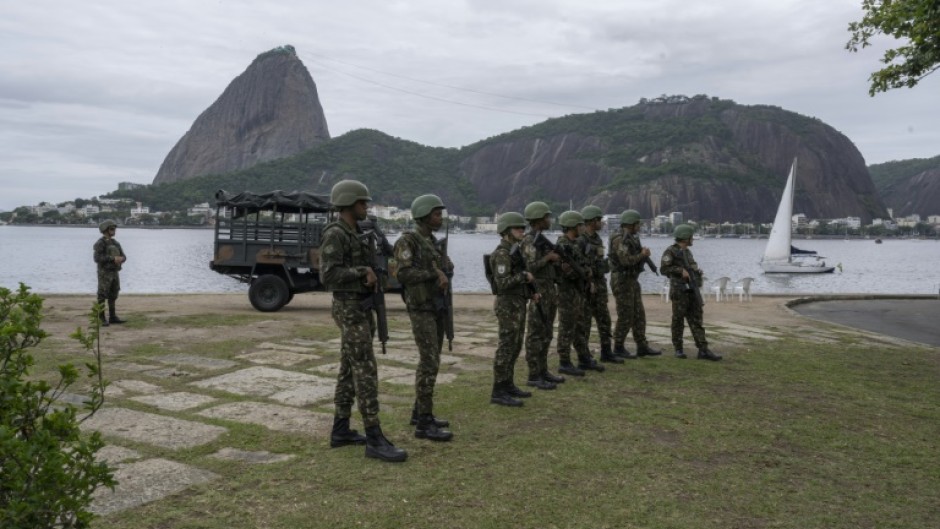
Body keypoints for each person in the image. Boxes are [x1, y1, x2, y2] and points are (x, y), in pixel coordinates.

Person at [320, 179, 407, 462]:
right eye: (362, 202)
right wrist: (362, 272)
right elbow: (328, 275)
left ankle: (341, 429)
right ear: (347, 204)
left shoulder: (357, 232)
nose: (366, 207)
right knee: (365, 369)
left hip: (361, 306)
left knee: (349, 367)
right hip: (349, 308)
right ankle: (374, 438)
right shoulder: (336, 234)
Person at [393, 194, 454, 442]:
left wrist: (446, 267)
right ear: (424, 215)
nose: (440, 218)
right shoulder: (408, 241)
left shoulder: (432, 242)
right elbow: (403, 273)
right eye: (436, 214)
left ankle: (419, 413)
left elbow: (444, 268)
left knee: (434, 360)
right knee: (428, 362)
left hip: (436, 306)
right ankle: (424, 424)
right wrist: (434, 272)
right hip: (421, 308)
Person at [488, 212, 538, 407]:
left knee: (516, 345)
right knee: (506, 346)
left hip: (517, 303)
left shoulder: (514, 252)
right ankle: (498, 390)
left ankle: (508, 384)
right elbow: (502, 284)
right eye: (518, 228)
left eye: (523, 228)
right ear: (507, 230)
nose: (522, 231)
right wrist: (524, 276)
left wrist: (530, 292)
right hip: (507, 305)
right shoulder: (502, 254)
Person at [520, 201, 566, 390]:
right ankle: (533, 374)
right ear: (538, 219)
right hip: (538, 291)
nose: (549, 220)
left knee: (547, 333)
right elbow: (529, 267)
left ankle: (543, 370)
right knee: (535, 334)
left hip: (549, 290)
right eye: (546, 217)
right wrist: (548, 258)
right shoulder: (529, 241)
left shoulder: (542, 240)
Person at [660, 224, 722, 361]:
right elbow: (663, 269)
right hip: (679, 291)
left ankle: (703, 350)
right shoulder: (670, 251)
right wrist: (679, 271)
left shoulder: (687, 252)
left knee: (696, 320)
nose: (692, 239)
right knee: (678, 320)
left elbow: (692, 267)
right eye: (690, 237)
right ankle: (678, 349)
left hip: (692, 290)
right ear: (685, 237)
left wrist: (696, 272)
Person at [555, 210, 605, 374]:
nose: (583, 228)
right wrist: (582, 273)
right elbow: (565, 271)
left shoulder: (574, 244)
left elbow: (583, 264)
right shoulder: (563, 246)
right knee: (566, 328)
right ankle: (564, 362)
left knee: (580, 327)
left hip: (578, 291)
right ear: (572, 226)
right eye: (580, 225)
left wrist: (588, 276)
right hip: (567, 292)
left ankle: (584, 358)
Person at [609, 210, 662, 359]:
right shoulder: (619, 239)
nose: (639, 226)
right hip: (622, 281)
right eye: (637, 223)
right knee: (625, 315)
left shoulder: (632, 238)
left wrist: (642, 255)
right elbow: (625, 261)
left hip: (632, 280)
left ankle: (642, 346)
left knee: (639, 315)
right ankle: (618, 347)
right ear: (631, 224)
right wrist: (642, 255)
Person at [579, 205, 621, 364]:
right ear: (591, 221)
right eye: (599, 220)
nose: (602, 223)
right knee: (585, 323)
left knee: (604, 320)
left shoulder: (597, 239)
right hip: (588, 287)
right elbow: (579, 264)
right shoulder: (581, 240)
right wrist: (589, 280)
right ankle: (585, 356)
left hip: (600, 285)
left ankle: (606, 352)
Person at [93, 219, 127, 327]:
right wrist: (112, 259)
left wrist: (121, 259)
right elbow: (97, 258)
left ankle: (112, 317)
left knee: (114, 294)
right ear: (106, 230)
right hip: (104, 273)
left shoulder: (115, 243)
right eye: (112, 229)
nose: (114, 231)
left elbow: (124, 256)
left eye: (114, 229)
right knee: (102, 295)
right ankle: (101, 317)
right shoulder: (100, 243)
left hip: (114, 272)